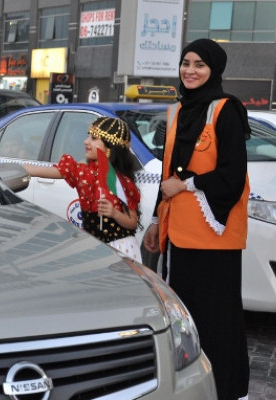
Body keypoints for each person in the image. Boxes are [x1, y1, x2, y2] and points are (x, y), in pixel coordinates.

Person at [142, 38, 250, 400]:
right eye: (186, 63)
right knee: (185, 319)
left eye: (199, 65)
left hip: (214, 238)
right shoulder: (176, 111)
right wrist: (157, 221)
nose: (190, 70)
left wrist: (186, 185)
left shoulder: (226, 110)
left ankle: (226, 391)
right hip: (179, 235)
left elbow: (232, 176)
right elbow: (165, 177)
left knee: (218, 320)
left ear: (214, 69)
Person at [21, 116, 142, 262]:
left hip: (121, 250)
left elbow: (132, 222)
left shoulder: (121, 181)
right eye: (88, 136)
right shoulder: (81, 172)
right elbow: (39, 170)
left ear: (110, 145)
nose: (86, 141)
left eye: (93, 138)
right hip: (93, 248)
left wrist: (114, 213)